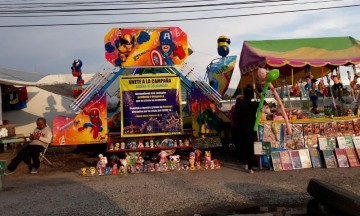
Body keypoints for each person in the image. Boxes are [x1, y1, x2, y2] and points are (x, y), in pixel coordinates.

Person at [233, 84, 258, 173]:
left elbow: (235, 116)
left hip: (241, 129)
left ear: (244, 94)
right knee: (250, 147)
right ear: (251, 95)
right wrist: (256, 91)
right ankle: (250, 167)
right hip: (252, 129)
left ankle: (245, 163)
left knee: (243, 146)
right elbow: (265, 103)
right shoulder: (254, 105)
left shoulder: (240, 104)